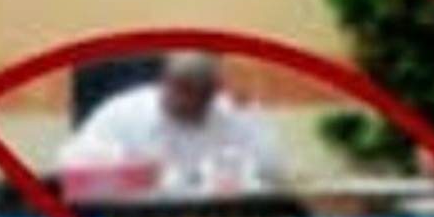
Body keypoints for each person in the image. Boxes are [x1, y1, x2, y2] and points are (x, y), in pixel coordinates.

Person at [59, 51, 282, 192]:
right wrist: (126, 172)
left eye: (198, 93)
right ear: (166, 82)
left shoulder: (233, 116)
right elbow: (70, 165)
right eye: (181, 89)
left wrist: (251, 117)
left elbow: (273, 172)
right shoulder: (123, 112)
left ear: (214, 91)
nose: (186, 101)